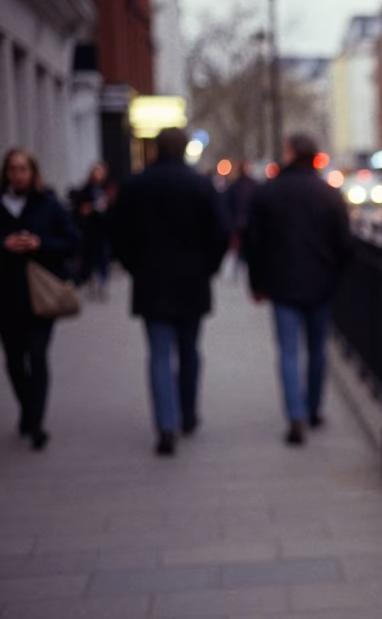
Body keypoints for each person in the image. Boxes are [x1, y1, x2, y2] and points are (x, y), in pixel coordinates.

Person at [108, 128, 230, 456]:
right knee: (189, 352)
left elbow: (117, 235)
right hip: (192, 282)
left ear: (155, 150)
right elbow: (221, 232)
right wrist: (208, 267)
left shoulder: (135, 185)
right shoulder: (201, 185)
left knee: (159, 355)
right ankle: (187, 413)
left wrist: (136, 266)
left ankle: (167, 424)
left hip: (152, 282)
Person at [245, 133, 353, 446]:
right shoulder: (329, 194)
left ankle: (295, 416)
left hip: (282, 285)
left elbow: (254, 243)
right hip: (321, 284)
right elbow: (345, 245)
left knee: (289, 351)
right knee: (317, 349)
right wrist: (335, 276)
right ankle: (314, 407)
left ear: (290, 153)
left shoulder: (268, 193)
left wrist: (257, 284)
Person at [0, 149, 80, 450]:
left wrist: (40, 244)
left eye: (23, 169)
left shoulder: (48, 205)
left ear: (33, 172)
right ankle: (26, 407)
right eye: (13, 169)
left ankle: (36, 422)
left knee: (37, 356)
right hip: (7, 298)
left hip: (41, 296)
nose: (18, 174)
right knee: (14, 362)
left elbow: (72, 241)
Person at [70, 161, 116, 299]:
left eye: (101, 172)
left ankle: (102, 282)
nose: (98, 175)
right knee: (90, 256)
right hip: (90, 230)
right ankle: (92, 279)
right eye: (96, 171)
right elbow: (79, 209)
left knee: (104, 257)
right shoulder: (86, 190)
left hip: (104, 229)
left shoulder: (108, 189)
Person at [223, 159, 258, 280]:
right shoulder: (253, 185)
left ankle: (236, 273)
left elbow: (226, 206)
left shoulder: (234, 186)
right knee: (247, 251)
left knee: (238, 251)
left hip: (238, 224)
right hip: (249, 224)